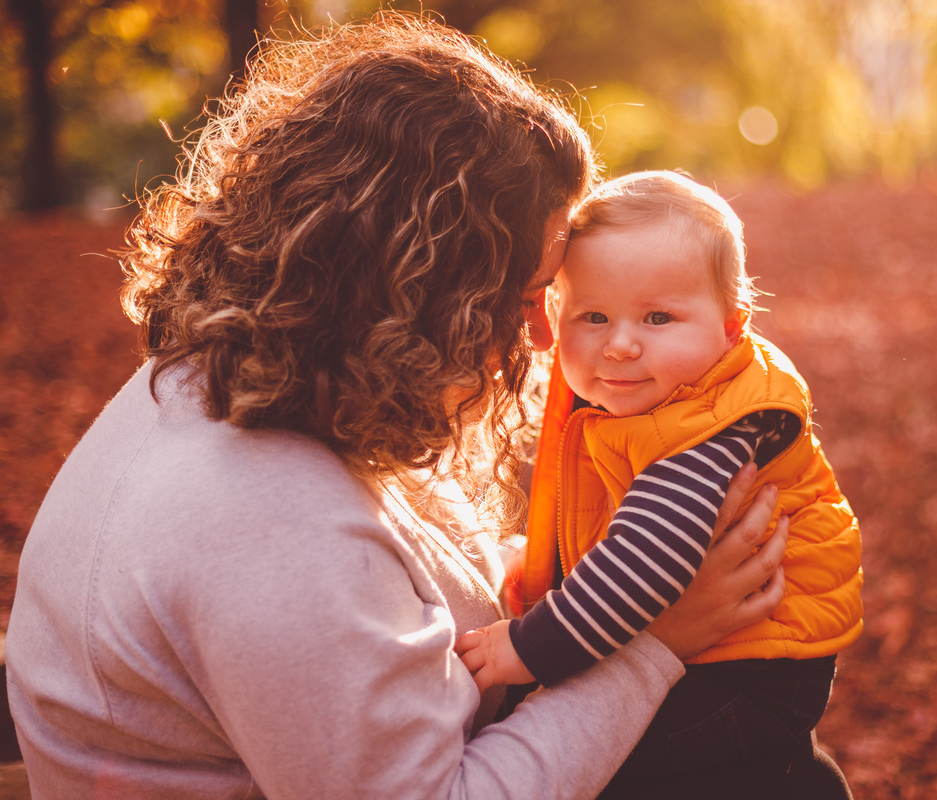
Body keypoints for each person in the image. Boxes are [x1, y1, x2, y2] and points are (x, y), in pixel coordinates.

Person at [4, 17, 792, 800]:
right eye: (523, 297)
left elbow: (411, 586)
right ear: (423, 290)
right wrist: (656, 645)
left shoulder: (271, 388)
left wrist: (596, 564)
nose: (546, 336)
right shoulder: (266, 525)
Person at [455, 171, 862, 797]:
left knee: (600, 766)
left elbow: (643, 561)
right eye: (594, 315)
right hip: (716, 651)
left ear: (732, 326)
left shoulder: (713, 430)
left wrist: (524, 649)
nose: (619, 344)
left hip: (752, 674)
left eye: (657, 317)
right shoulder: (656, 402)